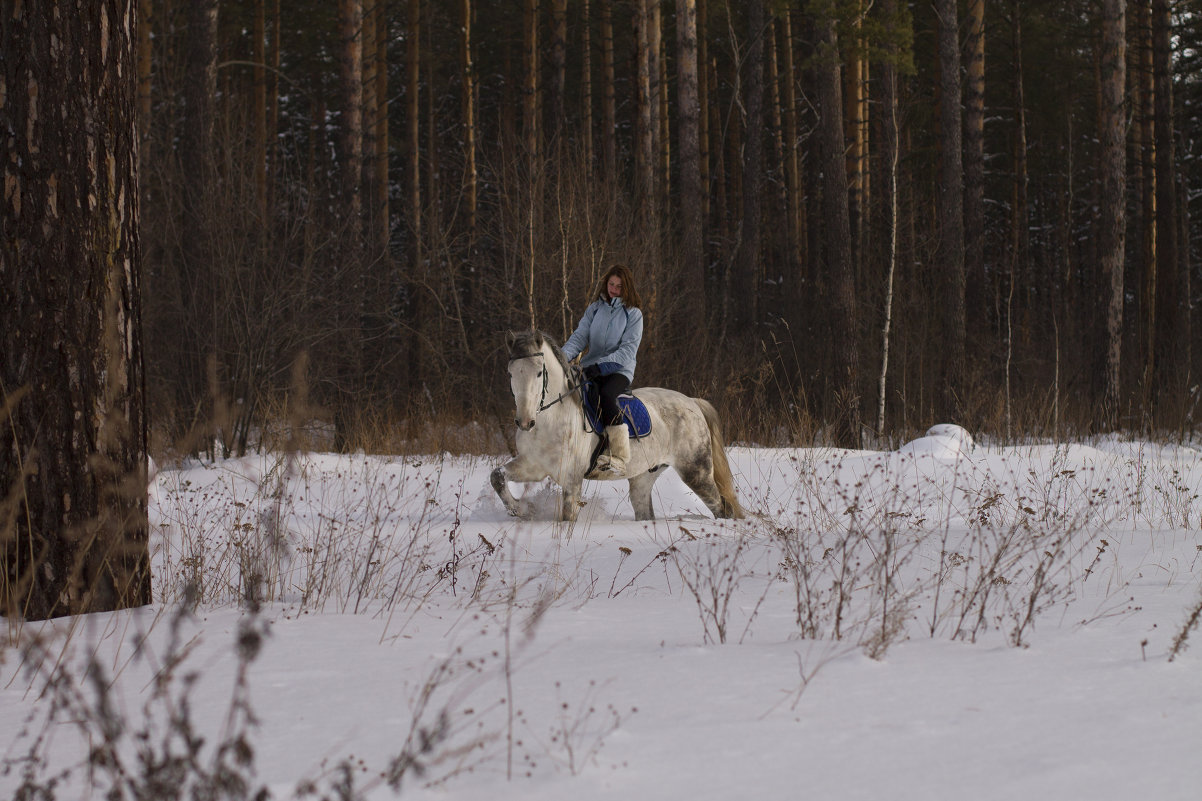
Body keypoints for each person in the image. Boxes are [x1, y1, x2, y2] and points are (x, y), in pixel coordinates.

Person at [561, 264, 644, 474]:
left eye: (619, 286)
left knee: (605, 395)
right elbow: (579, 337)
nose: (613, 289)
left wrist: (600, 366)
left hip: (619, 369)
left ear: (627, 288)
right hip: (591, 367)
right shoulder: (595, 309)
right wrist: (560, 358)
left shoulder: (633, 314)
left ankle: (619, 455)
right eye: (611, 284)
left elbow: (627, 350)